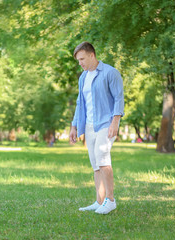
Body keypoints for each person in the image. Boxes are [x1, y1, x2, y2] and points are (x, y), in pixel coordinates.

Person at [69, 42, 124, 214]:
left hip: (106, 123)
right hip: (89, 125)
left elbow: (119, 99)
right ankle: (99, 201)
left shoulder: (110, 73)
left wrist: (115, 122)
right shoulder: (83, 77)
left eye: (82, 59)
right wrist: (74, 126)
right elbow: (80, 103)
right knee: (95, 164)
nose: (80, 63)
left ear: (92, 55)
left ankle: (110, 200)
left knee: (102, 157)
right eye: (78, 60)